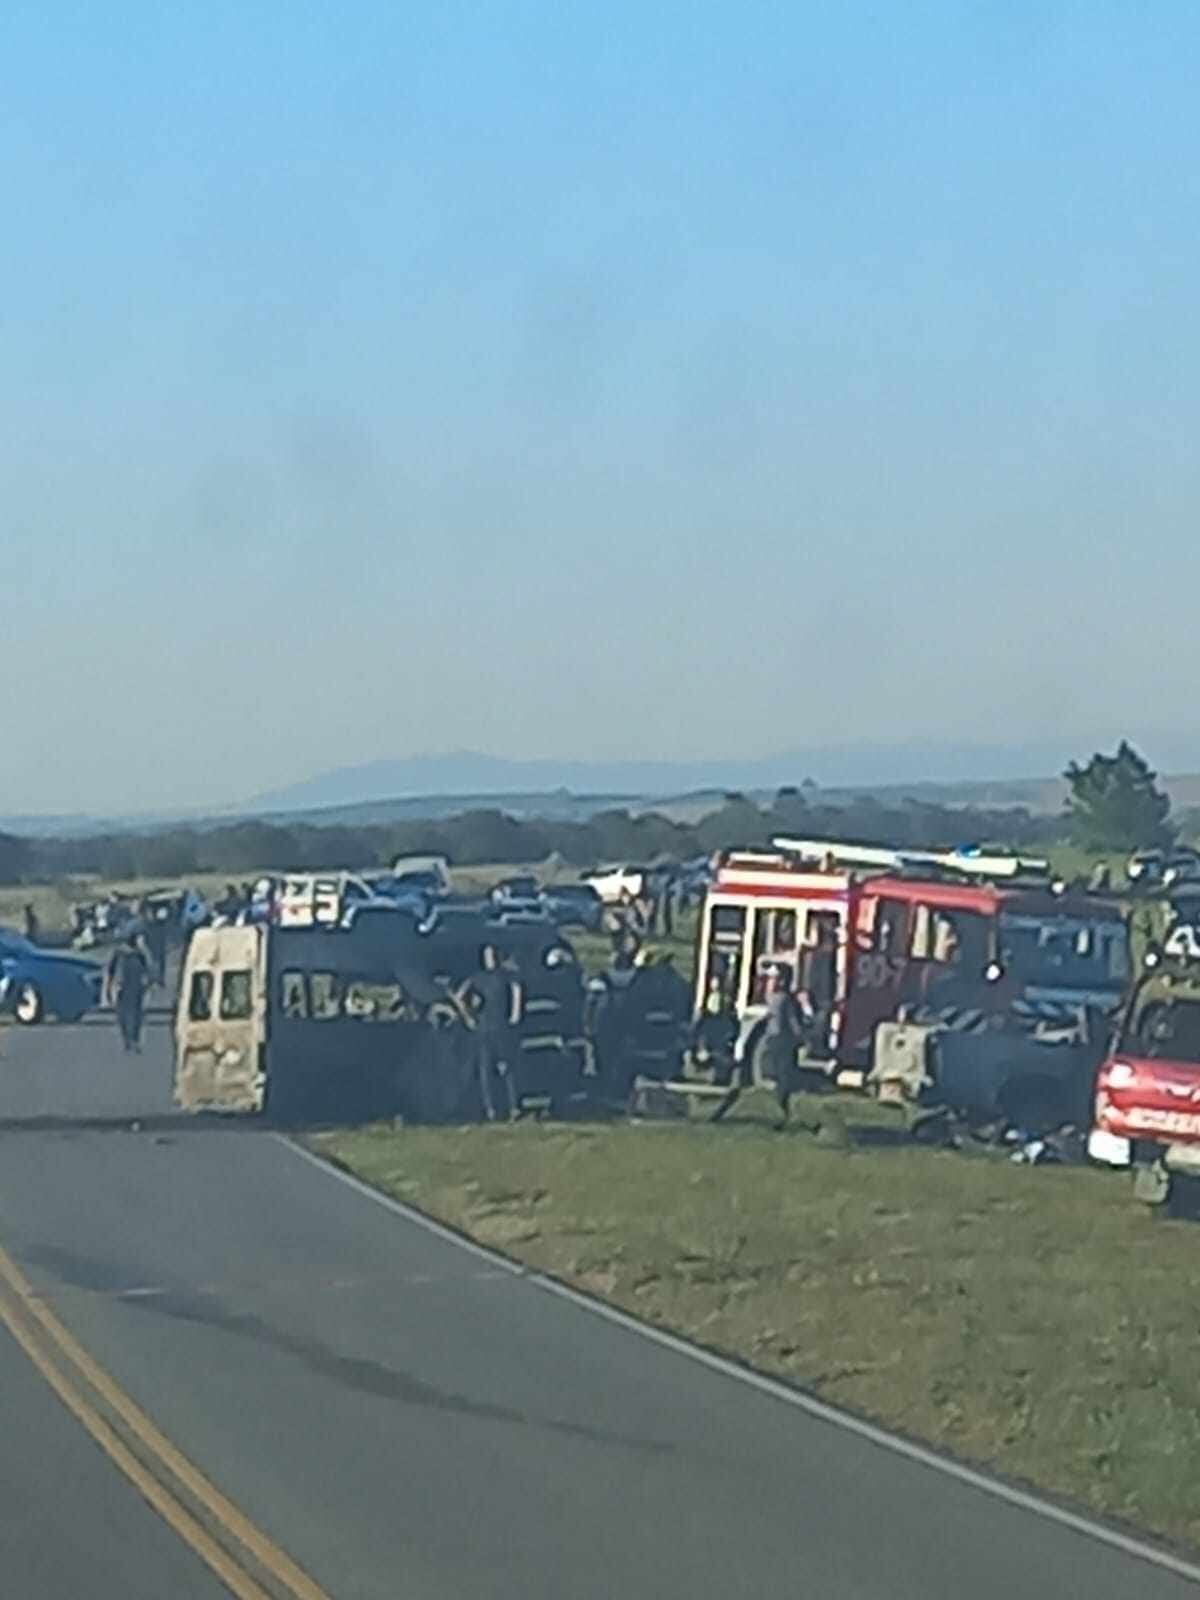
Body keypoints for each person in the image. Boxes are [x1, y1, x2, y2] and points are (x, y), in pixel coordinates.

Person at [465, 944, 523, 1121]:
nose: (490, 959)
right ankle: (491, 1109)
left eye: (493, 955)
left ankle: (514, 1107)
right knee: (485, 1070)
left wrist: (515, 1012)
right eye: (487, 955)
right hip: (483, 1029)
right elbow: (460, 995)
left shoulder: (505, 976)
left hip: (501, 1026)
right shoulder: (478, 978)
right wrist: (468, 1016)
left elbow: (517, 989)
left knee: (507, 1068)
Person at [762, 966, 811, 1128]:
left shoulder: (776, 998)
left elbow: (789, 1020)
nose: (769, 982)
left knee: (780, 1078)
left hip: (778, 1040)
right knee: (783, 1078)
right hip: (781, 1041)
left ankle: (782, 1113)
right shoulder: (783, 999)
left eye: (772, 978)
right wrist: (801, 1038)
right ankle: (784, 1113)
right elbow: (792, 1021)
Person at [106, 936, 152, 1053]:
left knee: (124, 1015)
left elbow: (111, 971)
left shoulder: (119, 953)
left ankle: (128, 1040)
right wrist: (148, 985)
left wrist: (109, 988)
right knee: (136, 1015)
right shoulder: (139, 954)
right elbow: (148, 971)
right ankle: (134, 1040)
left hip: (124, 988)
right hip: (134, 988)